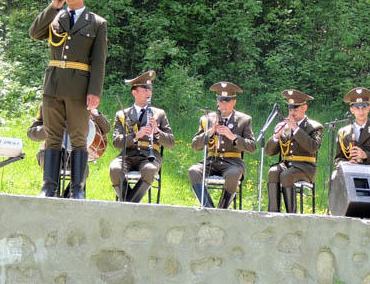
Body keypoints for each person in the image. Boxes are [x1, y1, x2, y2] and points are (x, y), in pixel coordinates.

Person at [29, 0, 107, 199]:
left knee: (78, 138)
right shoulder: (56, 17)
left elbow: (99, 60)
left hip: (79, 88)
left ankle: (77, 188)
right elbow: (34, 32)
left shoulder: (96, 23)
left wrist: (94, 92)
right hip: (53, 86)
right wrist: (53, 7)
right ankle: (48, 186)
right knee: (53, 137)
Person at [109, 70, 175, 203]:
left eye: (150, 89)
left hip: (149, 156)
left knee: (150, 170)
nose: (149, 93)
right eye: (145, 90)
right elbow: (116, 142)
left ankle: (127, 204)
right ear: (135, 93)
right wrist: (135, 136)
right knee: (115, 169)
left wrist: (157, 131)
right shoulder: (122, 114)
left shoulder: (159, 114)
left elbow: (170, 142)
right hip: (127, 154)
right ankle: (131, 204)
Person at [188, 82, 256, 208]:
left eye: (227, 101)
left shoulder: (244, 120)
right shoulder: (206, 119)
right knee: (193, 171)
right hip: (211, 161)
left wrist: (233, 137)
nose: (223, 105)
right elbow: (195, 146)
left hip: (233, 162)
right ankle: (208, 208)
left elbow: (252, 147)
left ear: (234, 102)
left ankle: (221, 210)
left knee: (233, 175)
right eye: (221, 101)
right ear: (217, 101)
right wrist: (210, 132)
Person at [27, 104, 110, 197]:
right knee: (52, 172)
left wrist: (94, 112)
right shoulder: (48, 104)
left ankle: (69, 200)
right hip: (49, 151)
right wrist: (52, 128)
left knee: (83, 171)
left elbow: (106, 129)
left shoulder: (83, 103)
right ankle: (52, 197)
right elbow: (31, 133)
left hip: (75, 152)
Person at [265, 90, 324, 213]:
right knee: (273, 172)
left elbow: (313, 147)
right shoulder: (284, 127)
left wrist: (296, 129)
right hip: (286, 165)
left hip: (306, 167)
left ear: (304, 108)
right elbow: (269, 152)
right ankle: (273, 213)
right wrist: (276, 137)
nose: (292, 113)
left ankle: (291, 215)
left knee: (286, 175)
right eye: (290, 110)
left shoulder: (315, 127)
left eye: (295, 110)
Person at [333, 87, 370, 167]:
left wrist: (366, 155)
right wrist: (347, 164)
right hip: (350, 174)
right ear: (352, 110)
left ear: (369, 108)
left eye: (364, 107)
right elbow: (338, 160)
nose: (361, 111)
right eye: (357, 108)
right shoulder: (343, 132)